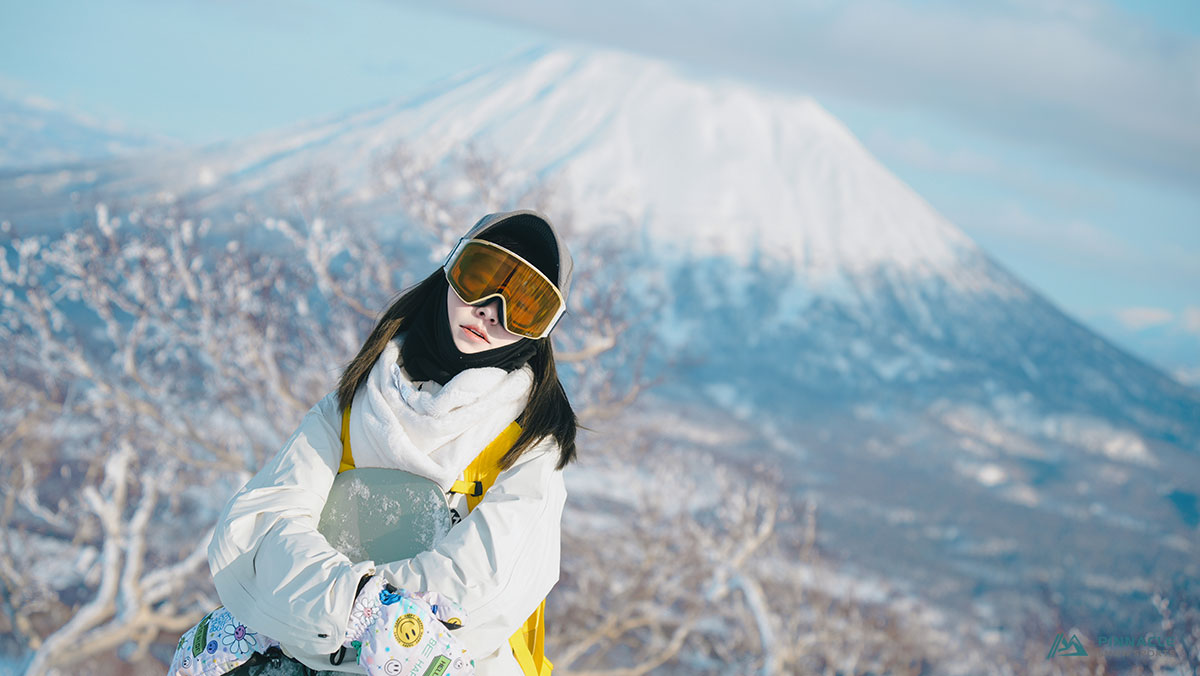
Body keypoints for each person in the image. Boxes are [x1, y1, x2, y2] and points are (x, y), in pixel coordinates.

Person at [181, 210, 577, 676]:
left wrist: (305, 608)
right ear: (450, 271)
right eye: (481, 276)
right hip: (310, 654)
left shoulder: (528, 448)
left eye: (525, 304)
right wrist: (361, 607)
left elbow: (478, 595)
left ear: (541, 331)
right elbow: (259, 527)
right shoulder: (350, 408)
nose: (490, 309)